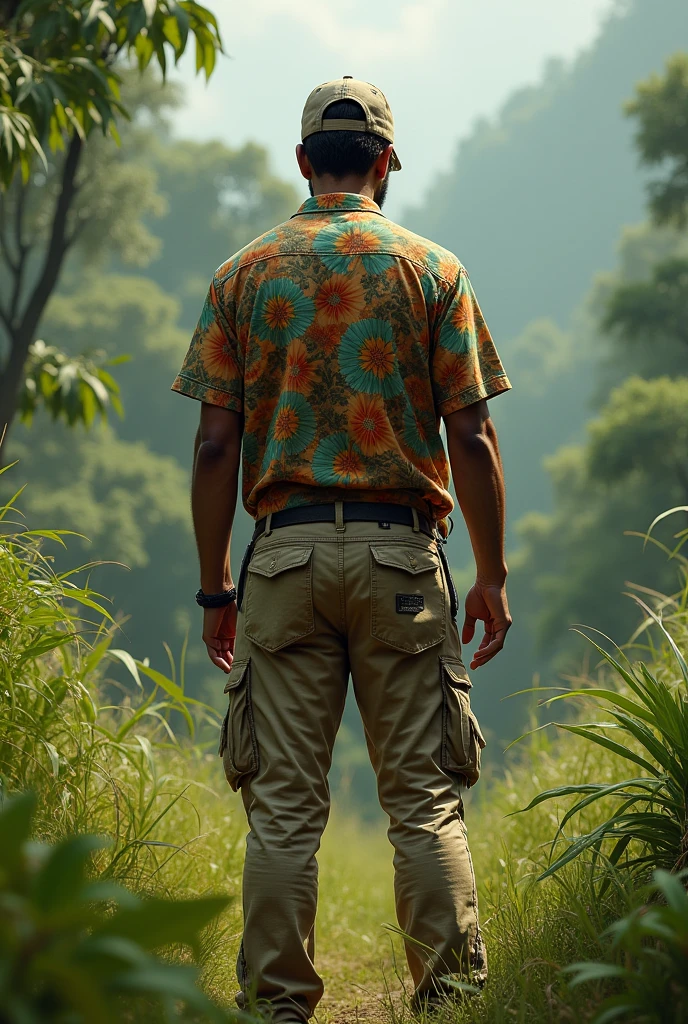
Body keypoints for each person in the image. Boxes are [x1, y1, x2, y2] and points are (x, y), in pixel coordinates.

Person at [172, 76, 512, 1022]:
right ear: (387, 162)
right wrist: (490, 573)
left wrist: (214, 588)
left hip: (280, 563)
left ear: (301, 160)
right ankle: (450, 1004)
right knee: (424, 802)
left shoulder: (244, 273)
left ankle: (277, 1008)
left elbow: (212, 445)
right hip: (405, 563)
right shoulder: (432, 270)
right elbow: (474, 439)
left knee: (283, 809)